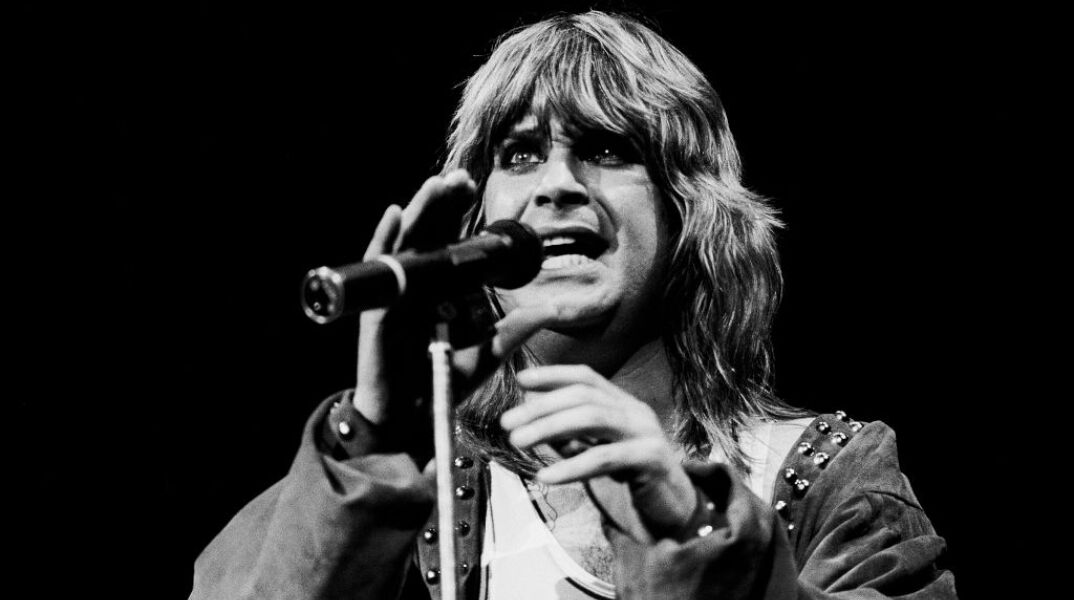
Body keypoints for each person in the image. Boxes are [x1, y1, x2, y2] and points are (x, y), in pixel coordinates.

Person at [191, 11, 956, 600]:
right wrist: (373, 438)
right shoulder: (396, 498)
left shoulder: (827, 477)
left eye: (607, 147)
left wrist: (692, 531)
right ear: (476, 220)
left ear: (689, 209)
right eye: (520, 154)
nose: (556, 184)